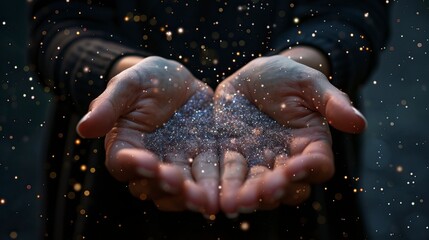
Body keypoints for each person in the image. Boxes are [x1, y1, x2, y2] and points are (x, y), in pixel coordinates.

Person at [29, 0, 390, 239]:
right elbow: (59, 27)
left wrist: (307, 62)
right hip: (118, 164)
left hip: (292, 138)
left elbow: (355, 13)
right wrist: (119, 74)